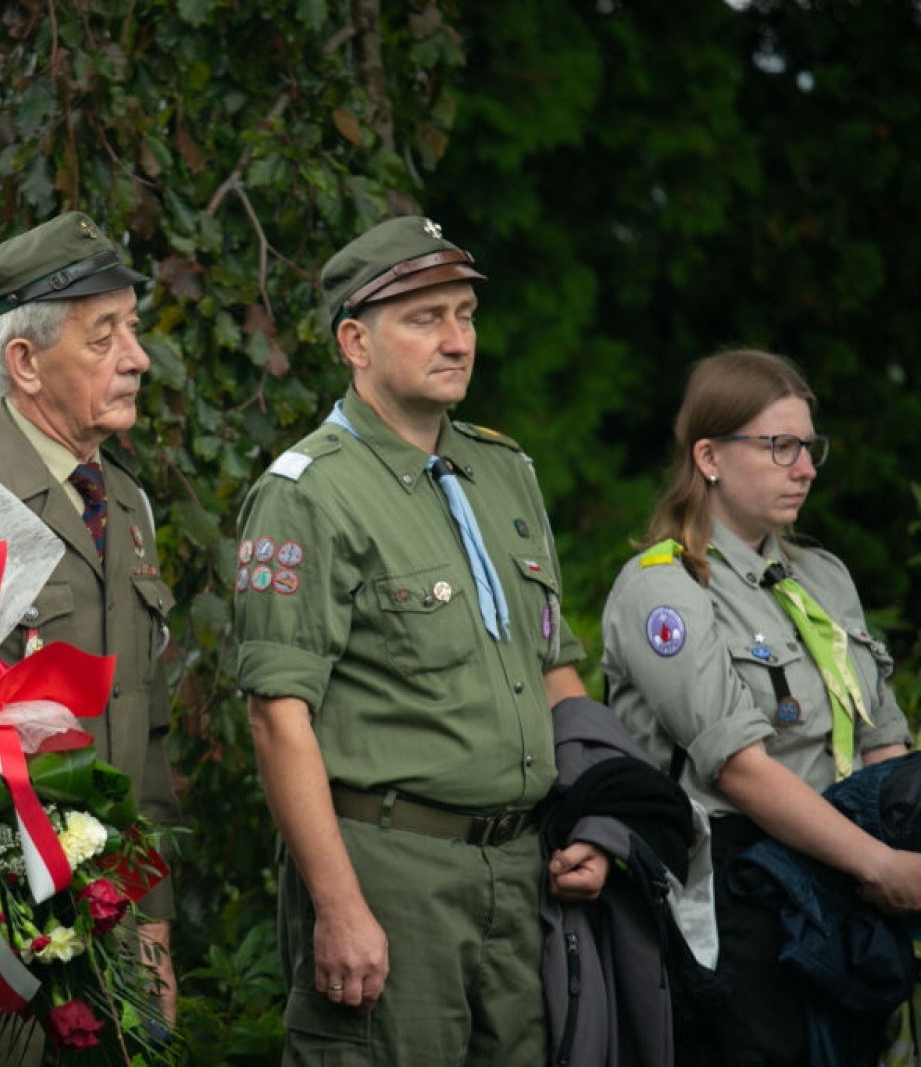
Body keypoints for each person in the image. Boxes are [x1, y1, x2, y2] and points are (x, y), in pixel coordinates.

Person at [233, 215, 608, 1066]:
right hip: (393, 872)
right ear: (355, 343)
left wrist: (596, 814)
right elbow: (277, 719)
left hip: (522, 870)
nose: (457, 340)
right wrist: (340, 906)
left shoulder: (504, 471)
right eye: (425, 318)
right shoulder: (309, 493)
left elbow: (554, 668)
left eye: (465, 315)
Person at [0, 212, 181, 1045]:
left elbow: (146, 732)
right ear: (24, 362)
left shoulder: (124, 502)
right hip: (0, 947)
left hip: (117, 924)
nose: (137, 357)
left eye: (132, 328)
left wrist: (154, 926)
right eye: (104, 336)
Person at [600, 348, 921, 1066]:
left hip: (847, 882)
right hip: (740, 893)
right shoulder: (665, 588)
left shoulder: (823, 578)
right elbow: (739, 770)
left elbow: (882, 739)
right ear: (708, 456)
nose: (805, 468)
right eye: (780, 446)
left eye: (810, 447)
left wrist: (902, 849)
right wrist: (880, 866)